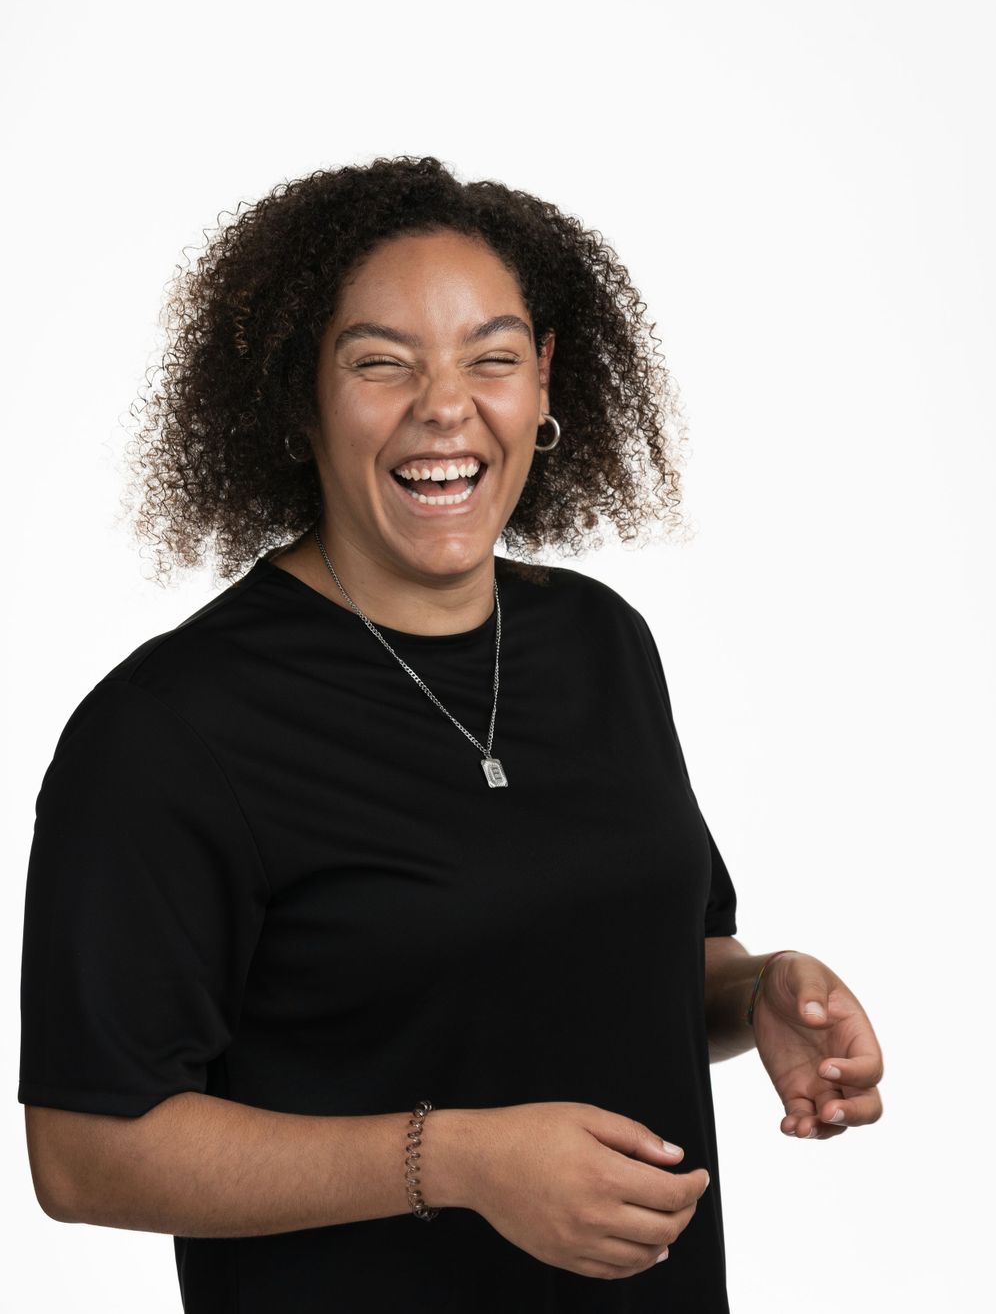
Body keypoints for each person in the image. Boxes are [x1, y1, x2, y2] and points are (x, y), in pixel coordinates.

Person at [18, 155, 884, 1313]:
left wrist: (759, 992)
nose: (445, 405)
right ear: (298, 395)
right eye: (381, 362)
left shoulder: (599, 644)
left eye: (493, 357)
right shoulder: (170, 729)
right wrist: (457, 1163)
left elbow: (632, 963)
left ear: (543, 380)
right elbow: (84, 1152)